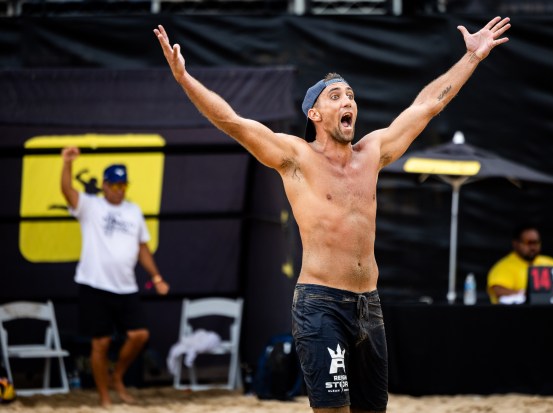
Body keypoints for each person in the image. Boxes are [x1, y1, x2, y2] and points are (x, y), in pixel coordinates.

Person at [154, 16, 510, 413]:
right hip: (320, 303)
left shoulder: (372, 152)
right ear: (315, 114)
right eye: (336, 96)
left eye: (351, 96)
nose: (348, 103)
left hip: (369, 305)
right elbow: (233, 123)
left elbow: (428, 105)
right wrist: (186, 80)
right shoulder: (296, 157)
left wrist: (471, 58)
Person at [60, 147, 170, 407]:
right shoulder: (91, 205)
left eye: (124, 184)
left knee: (140, 335)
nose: (120, 189)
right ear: (105, 185)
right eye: (116, 184)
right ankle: (105, 397)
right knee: (101, 343)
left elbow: (143, 248)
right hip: (94, 284)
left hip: (126, 286)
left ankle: (116, 376)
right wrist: (67, 164)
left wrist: (156, 277)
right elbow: (67, 191)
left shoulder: (133, 211)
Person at [487, 223, 553, 305]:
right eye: (528, 243)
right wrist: (527, 295)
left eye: (536, 242)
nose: (533, 247)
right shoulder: (503, 267)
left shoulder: (551, 263)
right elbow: (497, 290)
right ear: (515, 244)